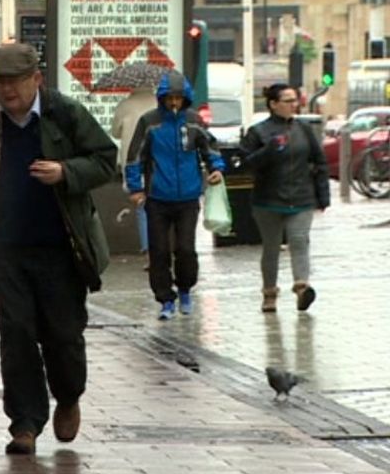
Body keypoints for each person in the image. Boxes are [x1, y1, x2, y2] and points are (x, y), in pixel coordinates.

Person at [0, 43, 116, 455]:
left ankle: (69, 395)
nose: (7, 91)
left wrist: (65, 171)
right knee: (16, 336)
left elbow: (105, 158)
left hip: (61, 247)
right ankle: (24, 422)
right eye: (0, 82)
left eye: (15, 82)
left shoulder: (64, 113)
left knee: (63, 335)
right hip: (7, 248)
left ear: (36, 79)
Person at [125, 71, 225, 320]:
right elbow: (135, 156)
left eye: (179, 98)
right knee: (158, 251)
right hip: (157, 197)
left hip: (188, 198)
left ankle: (184, 289)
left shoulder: (194, 121)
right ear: (162, 98)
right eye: (170, 98)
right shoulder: (149, 122)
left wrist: (217, 169)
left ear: (185, 99)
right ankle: (165, 299)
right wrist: (136, 188)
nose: (174, 103)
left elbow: (210, 148)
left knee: (186, 248)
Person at [239, 83, 330, 313]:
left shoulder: (304, 130)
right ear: (273, 104)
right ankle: (269, 293)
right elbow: (246, 164)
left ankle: (302, 287)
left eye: (295, 100)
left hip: (301, 198)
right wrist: (269, 149)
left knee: (299, 241)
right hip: (268, 200)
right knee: (271, 247)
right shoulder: (258, 132)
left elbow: (319, 162)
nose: (294, 105)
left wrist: (323, 196)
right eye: (288, 101)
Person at [111, 84, 157, 256]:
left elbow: (115, 132)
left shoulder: (125, 105)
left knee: (141, 204)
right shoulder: (159, 102)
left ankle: (147, 248)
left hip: (133, 160)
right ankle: (160, 246)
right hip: (156, 159)